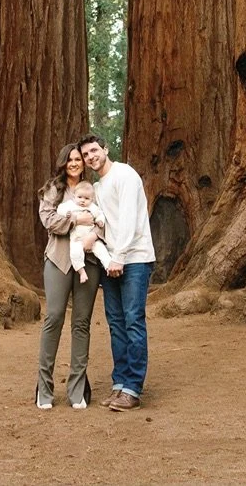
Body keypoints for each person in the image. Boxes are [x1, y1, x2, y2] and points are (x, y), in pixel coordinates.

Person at [79, 134, 154, 412]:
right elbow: (104, 221)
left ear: (105, 149)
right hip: (111, 261)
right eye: (86, 155)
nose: (91, 157)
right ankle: (120, 383)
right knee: (116, 322)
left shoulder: (125, 175)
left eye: (94, 150)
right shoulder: (97, 188)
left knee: (133, 320)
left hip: (134, 259)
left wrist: (119, 257)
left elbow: (130, 220)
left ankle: (133, 388)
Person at [35, 143, 102, 410]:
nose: (75, 163)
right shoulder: (54, 189)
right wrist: (76, 221)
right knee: (53, 318)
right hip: (58, 260)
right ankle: (44, 389)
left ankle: (77, 390)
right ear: (63, 162)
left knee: (82, 323)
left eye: (79, 159)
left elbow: (104, 220)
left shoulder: (93, 190)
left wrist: (93, 230)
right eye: (70, 159)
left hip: (90, 261)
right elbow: (48, 221)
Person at [56, 182, 112, 283]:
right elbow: (60, 209)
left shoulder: (92, 207)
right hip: (76, 239)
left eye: (86, 199)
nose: (82, 201)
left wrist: (100, 221)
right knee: (75, 253)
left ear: (92, 199)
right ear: (74, 196)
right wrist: (66, 213)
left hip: (91, 237)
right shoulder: (70, 205)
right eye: (80, 197)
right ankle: (82, 272)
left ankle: (108, 266)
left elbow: (100, 214)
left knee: (101, 250)